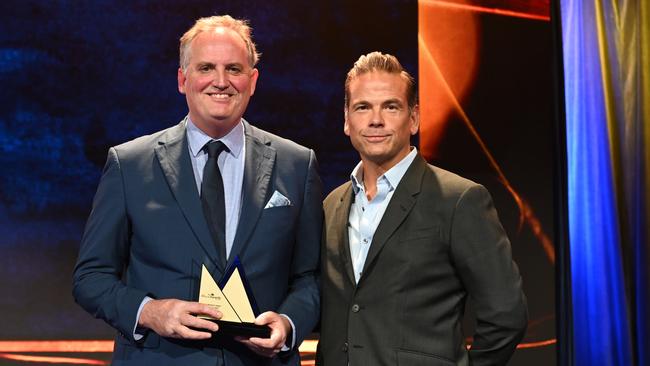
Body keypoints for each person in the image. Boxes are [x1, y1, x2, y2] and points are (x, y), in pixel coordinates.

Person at [73, 15, 322, 366]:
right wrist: (150, 311)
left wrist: (288, 323)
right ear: (182, 79)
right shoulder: (129, 164)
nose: (221, 82)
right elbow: (90, 277)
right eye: (207, 68)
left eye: (234, 69)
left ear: (252, 81)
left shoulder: (297, 164)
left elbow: (309, 278)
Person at [317, 52, 527, 366]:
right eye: (363, 107)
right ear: (347, 120)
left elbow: (506, 315)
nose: (376, 119)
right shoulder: (331, 204)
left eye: (391, 106)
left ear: (414, 118)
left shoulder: (459, 199)